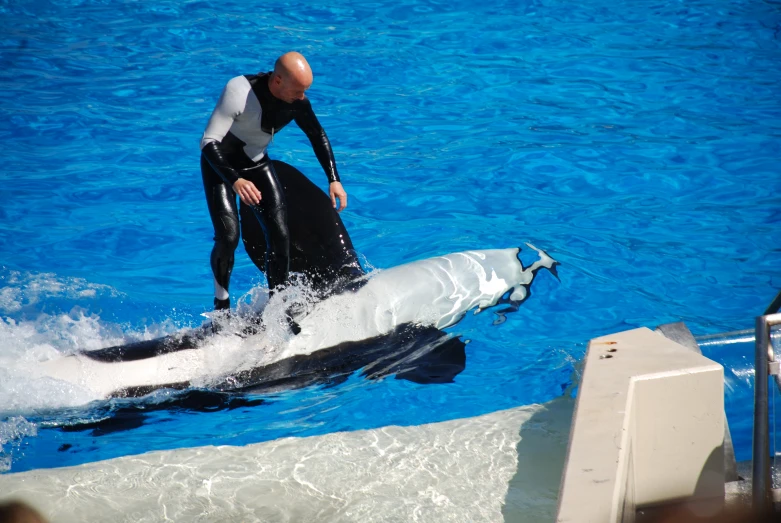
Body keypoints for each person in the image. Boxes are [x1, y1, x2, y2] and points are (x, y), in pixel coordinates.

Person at [200, 52, 347, 311]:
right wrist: (236, 181)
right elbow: (209, 142)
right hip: (221, 167)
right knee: (229, 237)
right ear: (277, 80)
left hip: (256, 163)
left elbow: (317, 134)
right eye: (297, 90)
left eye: (305, 91)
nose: (302, 97)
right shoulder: (239, 91)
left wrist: (334, 179)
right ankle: (221, 303)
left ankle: (277, 305)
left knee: (280, 236)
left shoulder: (297, 100)